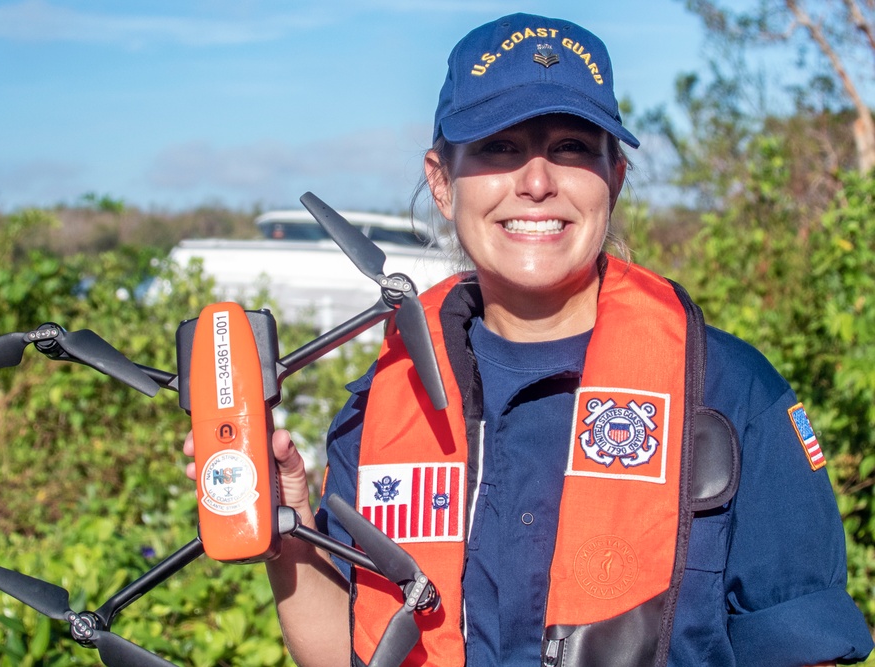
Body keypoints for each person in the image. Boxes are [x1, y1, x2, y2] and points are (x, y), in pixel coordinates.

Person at [185, 13, 874, 667]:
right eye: (498, 148)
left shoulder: (733, 391)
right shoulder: (379, 409)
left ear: (616, 178)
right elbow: (347, 651)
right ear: (442, 181)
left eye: (571, 148)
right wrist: (285, 523)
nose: (537, 182)